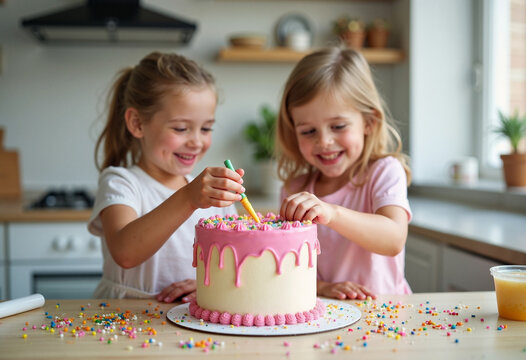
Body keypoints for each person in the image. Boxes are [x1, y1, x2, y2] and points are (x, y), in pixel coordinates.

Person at [88, 52, 245, 303]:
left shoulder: (211, 195)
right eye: (181, 128)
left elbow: (234, 265)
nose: (196, 141)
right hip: (123, 320)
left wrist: (208, 285)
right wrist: (188, 198)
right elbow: (125, 252)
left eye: (206, 128)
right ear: (137, 123)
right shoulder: (121, 182)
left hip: (189, 324)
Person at [276, 47, 412, 300]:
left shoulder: (384, 172)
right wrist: (323, 288)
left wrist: (331, 212)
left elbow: (393, 239)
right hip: (323, 312)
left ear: (369, 122)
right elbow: (291, 264)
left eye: (338, 126)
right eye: (308, 131)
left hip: (384, 314)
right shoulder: (295, 188)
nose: (324, 141)